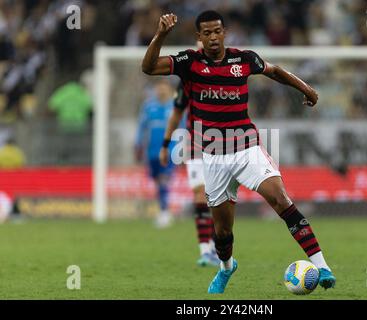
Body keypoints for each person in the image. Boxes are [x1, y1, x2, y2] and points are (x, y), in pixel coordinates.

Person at [142, 10, 336, 294]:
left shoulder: (243, 59)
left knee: (281, 199)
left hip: (248, 149)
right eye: (206, 33)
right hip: (214, 158)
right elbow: (148, 67)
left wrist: (305, 89)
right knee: (222, 232)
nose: (213, 37)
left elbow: (275, 71)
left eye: (217, 31)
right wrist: (160, 35)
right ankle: (226, 267)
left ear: (225, 32)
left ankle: (322, 266)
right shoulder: (189, 62)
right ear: (199, 37)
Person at [160, 72, 220, 267]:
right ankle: (205, 251)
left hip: (223, 144)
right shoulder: (188, 79)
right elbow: (176, 112)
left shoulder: (228, 73)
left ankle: (216, 246)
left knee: (218, 198)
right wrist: (166, 144)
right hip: (195, 144)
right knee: (200, 193)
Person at [135, 79, 176, 228]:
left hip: (170, 150)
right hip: (152, 151)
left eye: (164, 87)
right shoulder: (148, 107)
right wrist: (138, 144)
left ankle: (164, 212)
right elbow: (141, 127)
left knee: (164, 179)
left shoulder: (175, 107)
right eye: (159, 87)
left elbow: (183, 127)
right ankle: (164, 210)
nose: (161, 90)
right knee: (158, 181)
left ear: (170, 90)